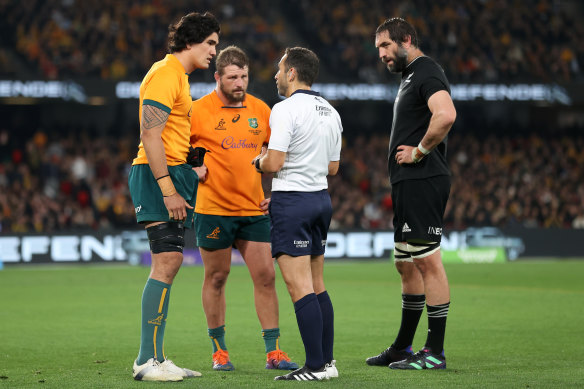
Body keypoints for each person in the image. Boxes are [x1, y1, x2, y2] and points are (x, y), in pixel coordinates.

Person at [190, 45, 298, 372]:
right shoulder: (197, 110)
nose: (240, 83)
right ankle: (219, 351)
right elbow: (178, 149)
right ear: (218, 77)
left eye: (244, 76)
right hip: (213, 210)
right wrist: (191, 168)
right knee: (217, 277)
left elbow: (277, 154)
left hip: (253, 209)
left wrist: (275, 190)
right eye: (233, 77)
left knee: (266, 277)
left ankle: (274, 352)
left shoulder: (262, 110)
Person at [127, 12, 220, 382]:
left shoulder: (177, 77)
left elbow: (169, 138)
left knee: (171, 263)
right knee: (165, 263)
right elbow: (150, 136)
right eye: (210, 42)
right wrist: (168, 189)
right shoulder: (166, 74)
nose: (214, 50)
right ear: (190, 41)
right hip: (154, 177)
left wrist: (188, 170)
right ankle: (146, 360)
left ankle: (157, 357)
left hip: (170, 173)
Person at [365, 18, 456, 370]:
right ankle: (403, 346)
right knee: (406, 264)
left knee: (427, 261)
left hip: (424, 179)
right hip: (406, 183)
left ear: (406, 39)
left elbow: (446, 115)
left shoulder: (426, 70)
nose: (382, 54)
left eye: (386, 46)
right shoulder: (409, 77)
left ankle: (434, 352)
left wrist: (418, 152)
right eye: (378, 50)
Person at [254, 47, 342, 381]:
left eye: (279, 69)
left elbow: (274, 163)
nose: (276, 75)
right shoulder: (331, 111)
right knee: (317, 283)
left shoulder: (285, 108)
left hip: (294, 202)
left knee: (298, 286)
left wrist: (258, 161)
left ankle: (315, 367)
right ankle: (328, 363)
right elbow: (333, 167)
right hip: (320, 199)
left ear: (292, 73)